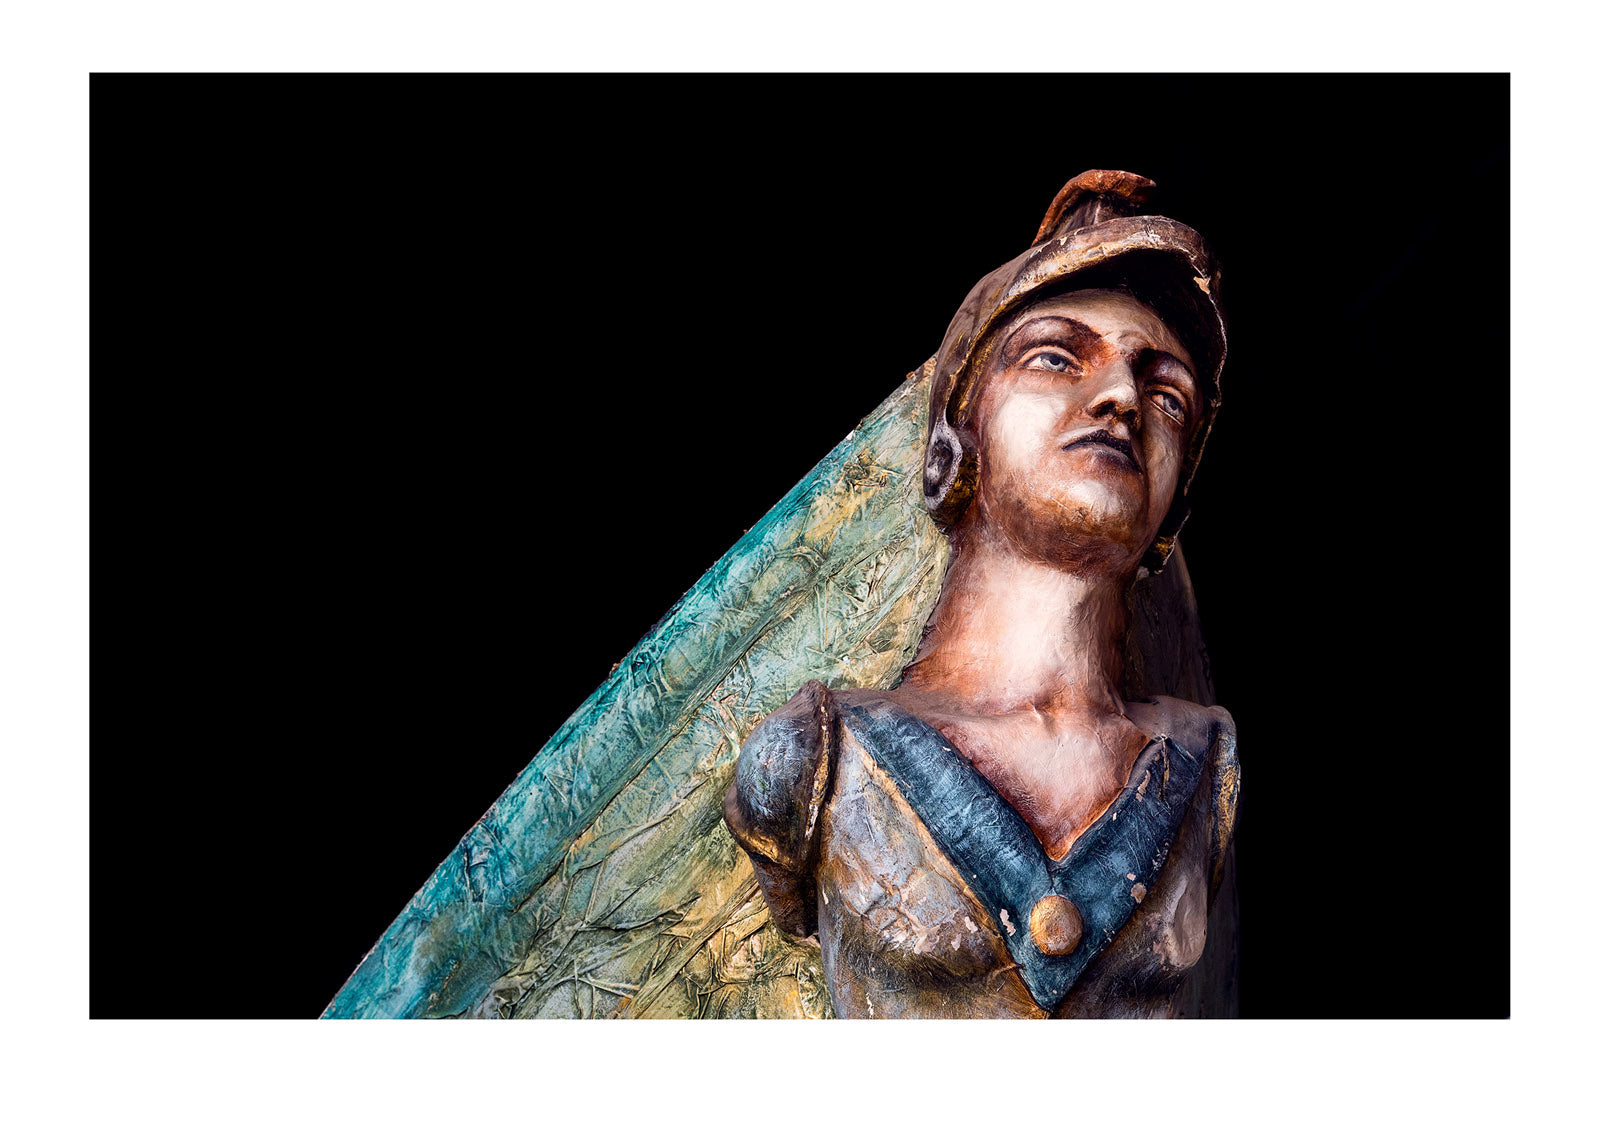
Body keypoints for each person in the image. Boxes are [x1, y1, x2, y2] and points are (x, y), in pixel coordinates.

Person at [723, 170, 1240, 1018]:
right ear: (947, 451)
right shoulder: (818, 758)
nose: (1121, 398)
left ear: (1172, 517)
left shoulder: (1201, 763)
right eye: (1055, 357)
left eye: (1167, 395)